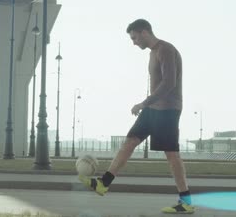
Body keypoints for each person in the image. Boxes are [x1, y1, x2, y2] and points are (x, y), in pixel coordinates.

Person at [79, 19, 194, 214]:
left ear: (144, 32)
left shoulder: (165, 49)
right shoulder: (152, 53)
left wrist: (144, 103)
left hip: (167, 109)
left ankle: (186, 202)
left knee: (172, 155)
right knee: (130, 141)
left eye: (134, 38)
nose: (133, 42)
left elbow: (169, 83)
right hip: (153, 109)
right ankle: (103, 183)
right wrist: (148, 105)